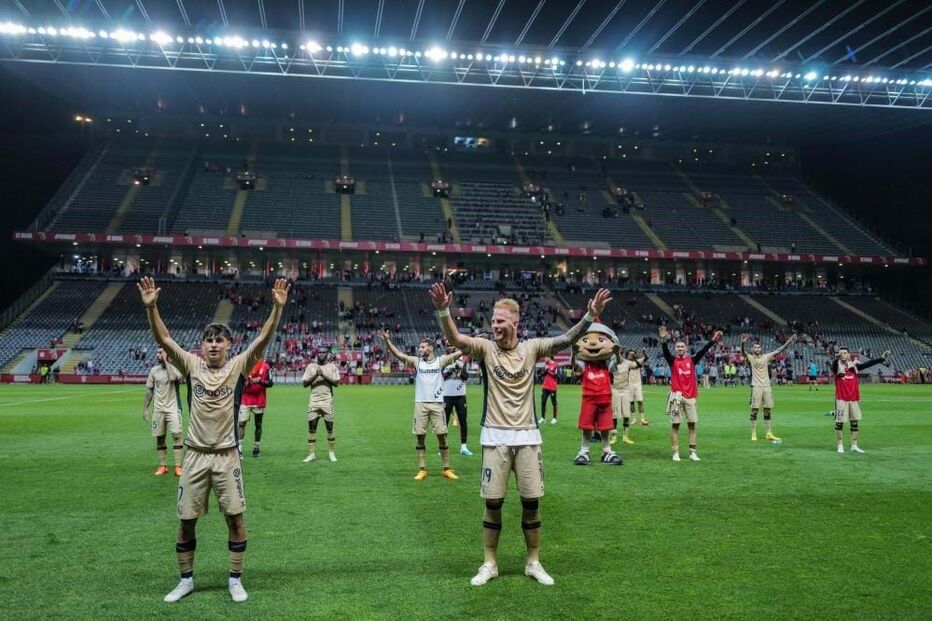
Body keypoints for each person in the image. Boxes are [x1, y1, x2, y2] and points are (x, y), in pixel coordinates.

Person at [430, 281, 611, 587]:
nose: (494, 325)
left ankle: (533, 562)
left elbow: (567, 339)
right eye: (493, 321)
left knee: (531, 503)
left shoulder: (531, 348)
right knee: (493, 504)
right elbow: (455, 338)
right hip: (495, 439)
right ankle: (489, 563)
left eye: (500, 321)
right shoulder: (485, 348)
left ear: (515, 323)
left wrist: (590, 316)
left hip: (527, 438)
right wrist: (443, 312)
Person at [138, 276, 290, 604]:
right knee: (186, 521)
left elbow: (263, 338)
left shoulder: (238, 367)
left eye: (220, 340)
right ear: (201, 346)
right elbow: (164, 339)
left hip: (226, 456)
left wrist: (277, 309)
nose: (214, 345)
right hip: (194, 455)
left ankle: (235, 580)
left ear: (229, 345)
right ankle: (186, 580)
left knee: (235, 519)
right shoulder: (191, 365)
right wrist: (152, 308)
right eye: (209, 340)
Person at [378, 329, 462, 481]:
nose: (420, 349)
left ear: (430, 348)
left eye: (422, 347)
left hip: (437, 404)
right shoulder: (417, 362)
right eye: (419, 347)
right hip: (420, 404)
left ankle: (446, 469)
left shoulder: (440, 361)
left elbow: (460, 352)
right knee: (420, 437)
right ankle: (422, 469)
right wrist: (387, 341)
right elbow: (398, 355)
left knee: (442, 437)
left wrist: (476, 341)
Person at [659, 325, 722, 462]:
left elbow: (703, 350)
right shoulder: (672, 360)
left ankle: (692, 452)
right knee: (675, 426)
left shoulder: (692, 360)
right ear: (675, 348)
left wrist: (713, 340)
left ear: (686, 348)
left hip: (691, 397)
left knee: (692, 425)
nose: (680, 348)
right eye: (678, 347)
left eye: (682, 346)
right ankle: (675, 453)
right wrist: (663, 340)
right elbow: (665, 351)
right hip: (676, 397)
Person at [832, 347, 891, 454]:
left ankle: (854, 446)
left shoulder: (854, 367)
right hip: (841, 399)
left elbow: (868, 364)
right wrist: (836, 358)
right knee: (839, 423)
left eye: (845, 353)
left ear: (849, 355)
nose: (842, 354)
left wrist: (881, 358)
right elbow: (834, 365)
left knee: (854, 423)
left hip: (853, 399)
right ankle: (840, 445)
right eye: (841, 353)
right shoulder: (837, 367)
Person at [740, 334, 796, 442]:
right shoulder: (750, 358)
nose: (757, 349)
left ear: (761, 349)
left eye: (758, 347)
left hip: (767, 386)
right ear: (752, 349)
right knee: (754, 410)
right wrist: (742, 343)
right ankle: (753, 433)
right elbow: (743, 353)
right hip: (756, 386)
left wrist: (789, 341)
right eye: (755, 347)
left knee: (767, 410)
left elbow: (779, 350)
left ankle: (768, 433)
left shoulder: (766, 357)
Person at [144, 346, 184, 476]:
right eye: (157, 353)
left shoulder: (176, 368)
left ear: (167, 354)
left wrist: (167, 361)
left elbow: (172, 378)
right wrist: (145, 409)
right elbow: (149, 390)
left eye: (160, 353)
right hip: (158, 409)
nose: (157, 355)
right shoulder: (154, 370)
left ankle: (178, 466)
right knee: (160, 437)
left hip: (173, 408)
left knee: (177, 436)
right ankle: (163, 466)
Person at [301, 351, 341, 463]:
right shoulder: (310, 367)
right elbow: (304, 384)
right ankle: (311, 454)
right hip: (314, 401)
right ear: (317, 354)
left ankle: (331, 453)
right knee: (312, 428)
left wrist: (323, 375)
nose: (322, 354)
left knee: (330, 428)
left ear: (327, 354)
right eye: (320, 352)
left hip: (327, 401)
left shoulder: (332, 367)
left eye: (324, 352)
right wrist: (316, 375)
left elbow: (336, 383)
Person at [238, 358, 273, 458]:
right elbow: (236, 381)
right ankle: (239, 450)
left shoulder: (265, 367)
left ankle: (256, 448)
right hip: (245, 399)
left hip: (259, 399)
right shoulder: (244, 365)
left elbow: (270, 383)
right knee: (241, 423)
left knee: (258, 424)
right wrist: (242, 383)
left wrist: (260, 381)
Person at [442, 347, 473, 456]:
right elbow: (440, 377)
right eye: (448, 346)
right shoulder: (443, 359)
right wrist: (450, 371)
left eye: (452, 345)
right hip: (446, 395)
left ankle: (464, 447)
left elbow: (466, 376)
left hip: (460, 395)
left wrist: (459, 371)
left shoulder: (462, 359)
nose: (450, 348)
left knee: (463, 420)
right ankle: (443, 446)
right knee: (444, 421)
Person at [612, 349, 646, 445]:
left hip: (625, 390)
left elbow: (639, 366)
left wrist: (635, 359)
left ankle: (625, 437)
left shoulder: (627, 363)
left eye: (619, 353)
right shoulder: (612, 363)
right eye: (617, 353)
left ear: (622, 354)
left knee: (626, 415)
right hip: (615, 390)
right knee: (614, 415)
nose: (618, 355)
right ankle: (614, 437)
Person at [627, 350, 649, 425]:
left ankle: (642, 419)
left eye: (632, 354)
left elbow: (645, 359)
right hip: (629, 384)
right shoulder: (626, 362)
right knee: (631, 402)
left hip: (638, 384)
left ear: (635, 355)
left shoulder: (639, 360)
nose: (631, 355)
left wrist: (644, 352)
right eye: (629, 354)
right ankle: (634, 419)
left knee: (640, 401)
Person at [538, 357, 559, 424]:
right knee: (543, 402)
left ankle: (554, 418)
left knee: (554, 403)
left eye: (545, 358)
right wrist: (545, 370)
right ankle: (543, 418)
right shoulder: (545, 365)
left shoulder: (556, 365)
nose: (544, 359)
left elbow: (557, 376)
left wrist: (548, 370)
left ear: (549, 358)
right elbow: (541, 374)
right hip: (545, 386)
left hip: (552, 387)